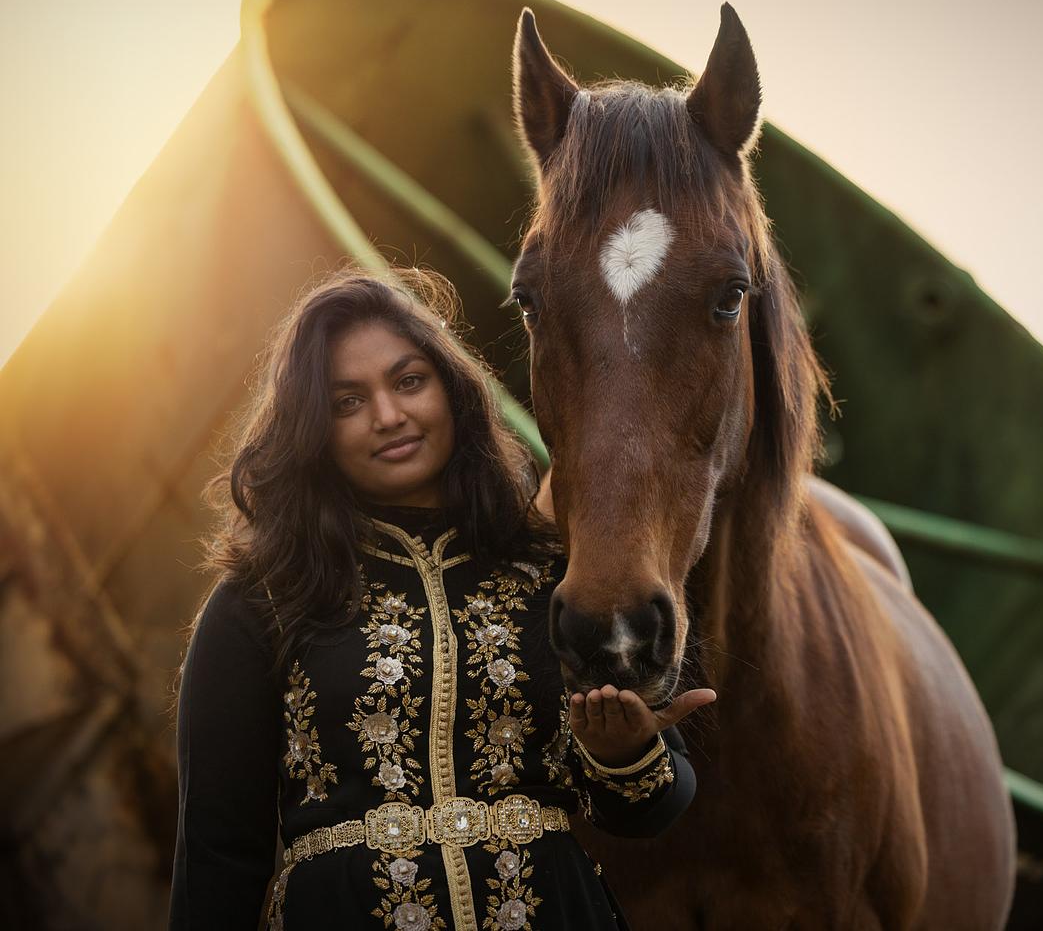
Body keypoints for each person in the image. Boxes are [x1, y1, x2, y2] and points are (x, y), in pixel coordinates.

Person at [169, 267, 714, 930]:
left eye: (408, 382)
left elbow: (655, 807)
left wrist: (622, 754)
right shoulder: (260, 600)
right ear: (314, 428)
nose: (389, 416)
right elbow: (218, 855)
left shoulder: (549, 571)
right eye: (348, 402)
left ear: (451, 391)